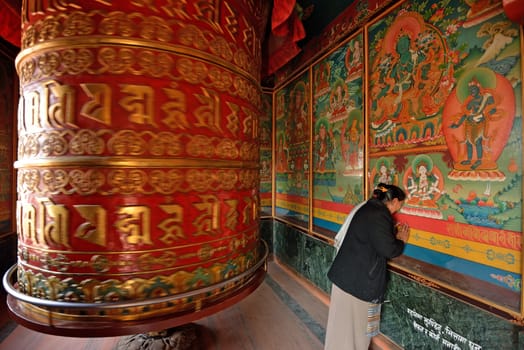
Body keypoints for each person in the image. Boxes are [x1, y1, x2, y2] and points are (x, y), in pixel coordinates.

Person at [324, 183, 410, 350]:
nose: (400, 208)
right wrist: (401, 241)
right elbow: (388, 249)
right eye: (401, 204)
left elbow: (373, 239)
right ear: (394, 201)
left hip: (347, 278)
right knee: (354, 330)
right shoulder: (379, 214)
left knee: (341, 328)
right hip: (356, 283)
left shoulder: (368, 207)